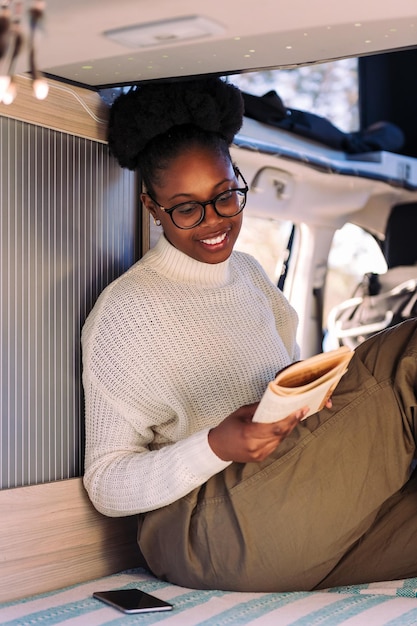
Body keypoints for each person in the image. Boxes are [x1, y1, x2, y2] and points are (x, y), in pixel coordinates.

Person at [82, 76, 417, 593]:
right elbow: (106, 484)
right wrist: (217, 445)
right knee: (405, 354)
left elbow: (294, 383)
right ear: (152, 207)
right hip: (206, 531)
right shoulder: (125, 314)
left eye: (225, 197)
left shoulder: (252, 278)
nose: (213, 222)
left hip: (287, 515)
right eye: (187, 208)